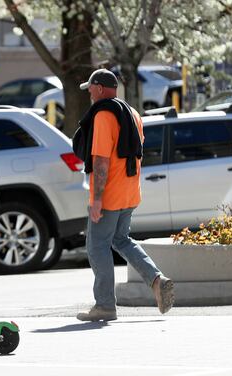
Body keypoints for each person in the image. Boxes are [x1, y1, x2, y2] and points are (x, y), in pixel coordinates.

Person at [74, 68, 174, 321]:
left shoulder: (104, 115)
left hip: (109, 194)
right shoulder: (132, 113)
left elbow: (101, 161)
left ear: (97, 88)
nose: (89, 95)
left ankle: (105, 305)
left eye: (90, 90)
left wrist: (96, 199)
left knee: (96, 246)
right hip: (129, 192)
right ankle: (156, 279)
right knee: (121, 240)